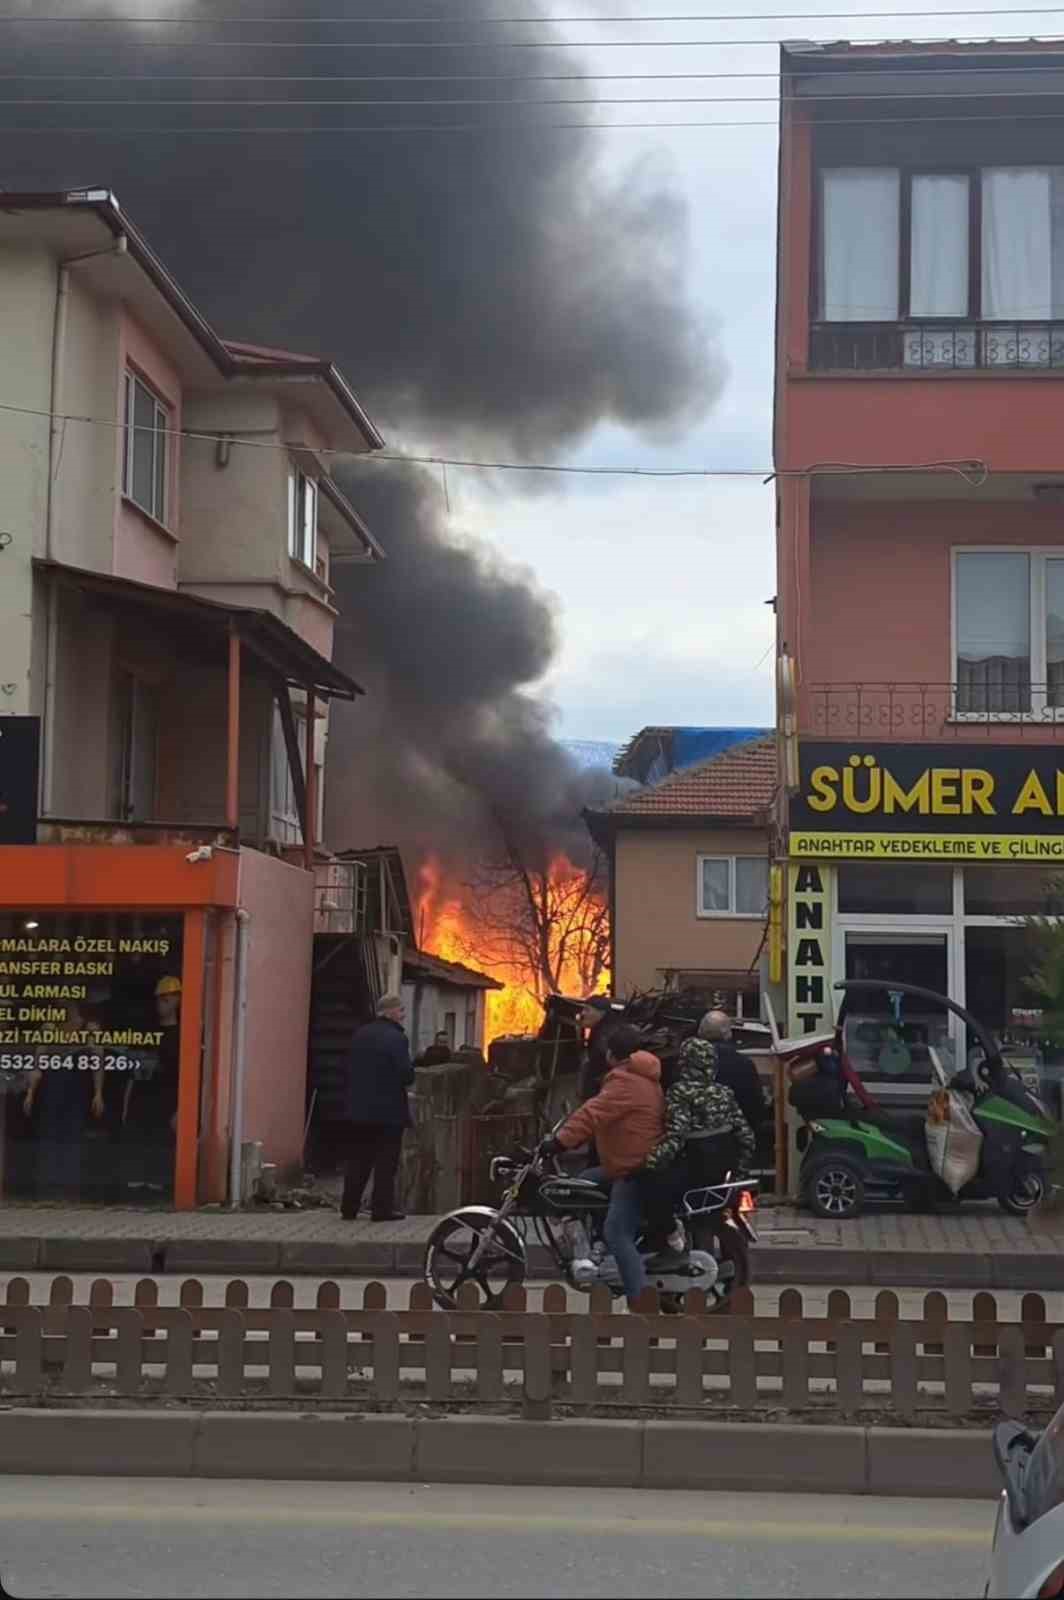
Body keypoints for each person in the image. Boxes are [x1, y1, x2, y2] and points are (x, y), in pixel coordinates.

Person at [543, 1022, 664, 1308]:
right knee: (583, 1182)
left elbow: (591, 1114)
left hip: (632, 1168)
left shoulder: (624, 1082)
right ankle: (597, 1248)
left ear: (611, 1054)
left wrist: (558, 1142)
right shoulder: (643, 1076)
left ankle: (640, 1303)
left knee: (618, 1232)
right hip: (626, 1161)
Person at [639, 1027, 756, 1250]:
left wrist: (651, 1161)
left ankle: (671, 1235)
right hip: (721, 1173)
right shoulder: (724, 1092)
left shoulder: (679, 1092)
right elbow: (746, 1136)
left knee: (649, 1187)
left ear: (685, 1062)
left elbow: (676, 1135)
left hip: (693, 1170)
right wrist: (739, 1172)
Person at [341, 993, 415, 1222]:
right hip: (388, 1113)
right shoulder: (397, 1039)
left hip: (359, 1111)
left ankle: (349, 1207)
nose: (403, 1015)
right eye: (401, 1010)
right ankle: (381, 1210)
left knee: (358, 1160)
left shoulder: (360, 1034)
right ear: (390, 1012)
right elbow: (406, 1075)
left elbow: (349, 1068)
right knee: (386, 1163)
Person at [698, 1010, 767, 1137]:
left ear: (700, 1032)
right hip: (732, 1135)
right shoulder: (743, 1063)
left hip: (693, 1138)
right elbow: (755, 1105)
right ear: (728, 1033)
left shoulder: (686, 1060)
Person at [576, 995, 619, 1103]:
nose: (583, 1013)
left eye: (587, 1010)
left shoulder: (605, 1035)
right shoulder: (600, 1030)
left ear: (602, 1013)